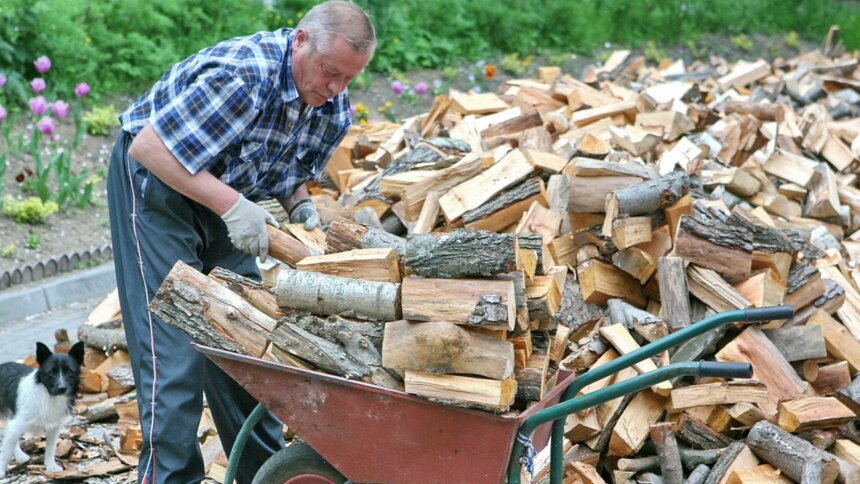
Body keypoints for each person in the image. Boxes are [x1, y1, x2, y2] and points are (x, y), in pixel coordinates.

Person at [106, 2, 375, 482]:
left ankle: (260, 476)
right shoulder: (242, 77)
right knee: (175, 355)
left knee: (245, 345)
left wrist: (301, 207)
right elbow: (149, 146)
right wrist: (232, 206)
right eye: (330, 72)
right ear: (299, 41)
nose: (336, 88)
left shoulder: (332, 105)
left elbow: (287, 172)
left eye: (348, 78)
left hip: (226, 198)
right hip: (157, 187)